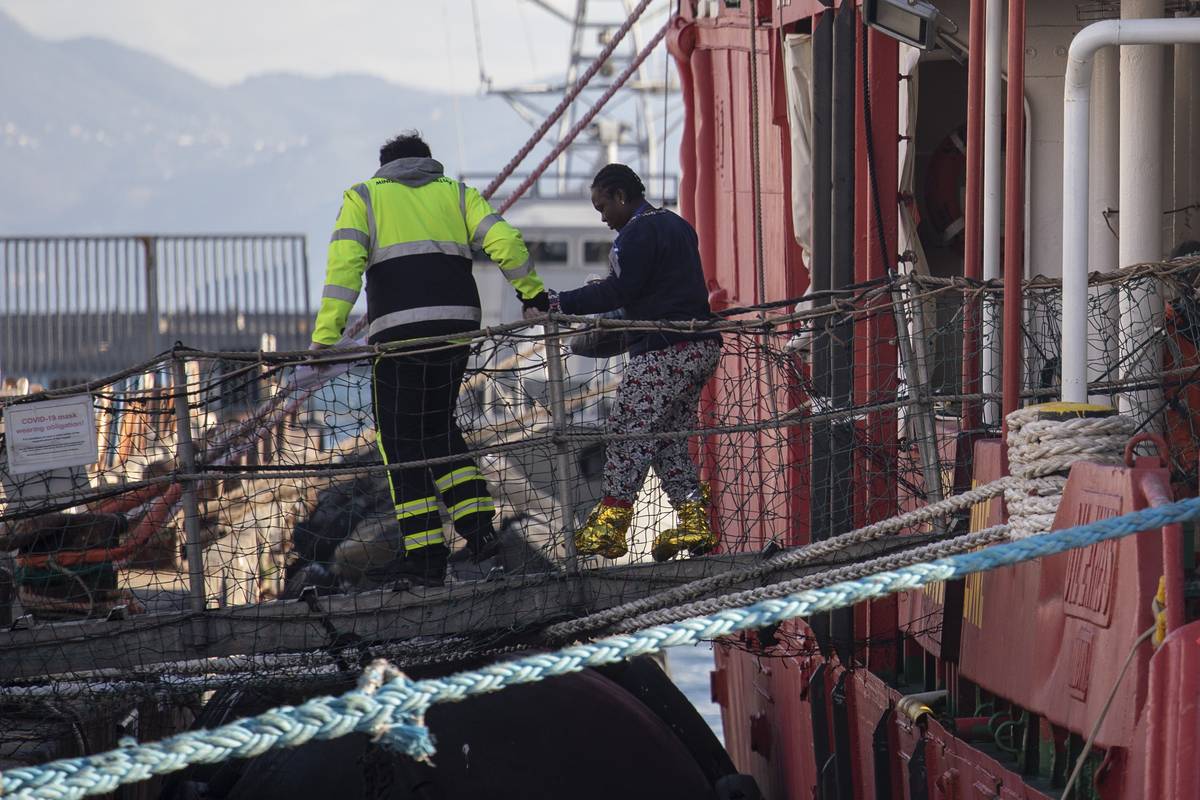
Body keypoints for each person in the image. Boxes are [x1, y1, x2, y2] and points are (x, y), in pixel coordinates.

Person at [310, 131, 547, 586]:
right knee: (438, 430)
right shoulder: (457, 194)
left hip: (398, 335)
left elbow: (344, 270)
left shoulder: (363, 198)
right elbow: (507, 241)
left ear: (385, 167)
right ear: (427, 163)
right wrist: (532, 293)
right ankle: (479, 532)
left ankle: (425, 557)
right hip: (456, 328)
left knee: (401, 444)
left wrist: (326, 338)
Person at [528, 164, 722, 562]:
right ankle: (693, 521)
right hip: (701, 347)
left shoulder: (634, 234)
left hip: (663, 351)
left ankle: (610, 524)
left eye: (603, 206)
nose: (602, 218)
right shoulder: (676, 224)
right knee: (666, 440)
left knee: (626, 431)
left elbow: (620, 291)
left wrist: (556, 303)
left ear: (621, 196)